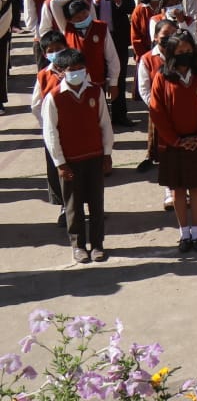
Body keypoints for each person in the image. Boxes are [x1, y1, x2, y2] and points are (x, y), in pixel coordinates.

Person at [40, 49, 113, 264]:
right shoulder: (54, 97)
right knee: (74, 206)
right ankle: (79, 246)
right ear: (62, 72)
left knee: (97, 205)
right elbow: (50, 133)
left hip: (94, 157)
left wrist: (107, 153)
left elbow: (105, 125)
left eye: (81, 69)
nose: (78, 73)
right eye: (72, 70)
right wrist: (60, 162)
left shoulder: (95, 92)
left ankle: (98, 245)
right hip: (70, 161)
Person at [149, 50, 197, 253]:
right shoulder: (162, 76)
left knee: (196, 188)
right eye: (179, 50)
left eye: (187, 49)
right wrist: (175, 140)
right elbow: (156, 110)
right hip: (173, 144)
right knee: (178, 190)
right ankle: (184, 233)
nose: (183, 54)